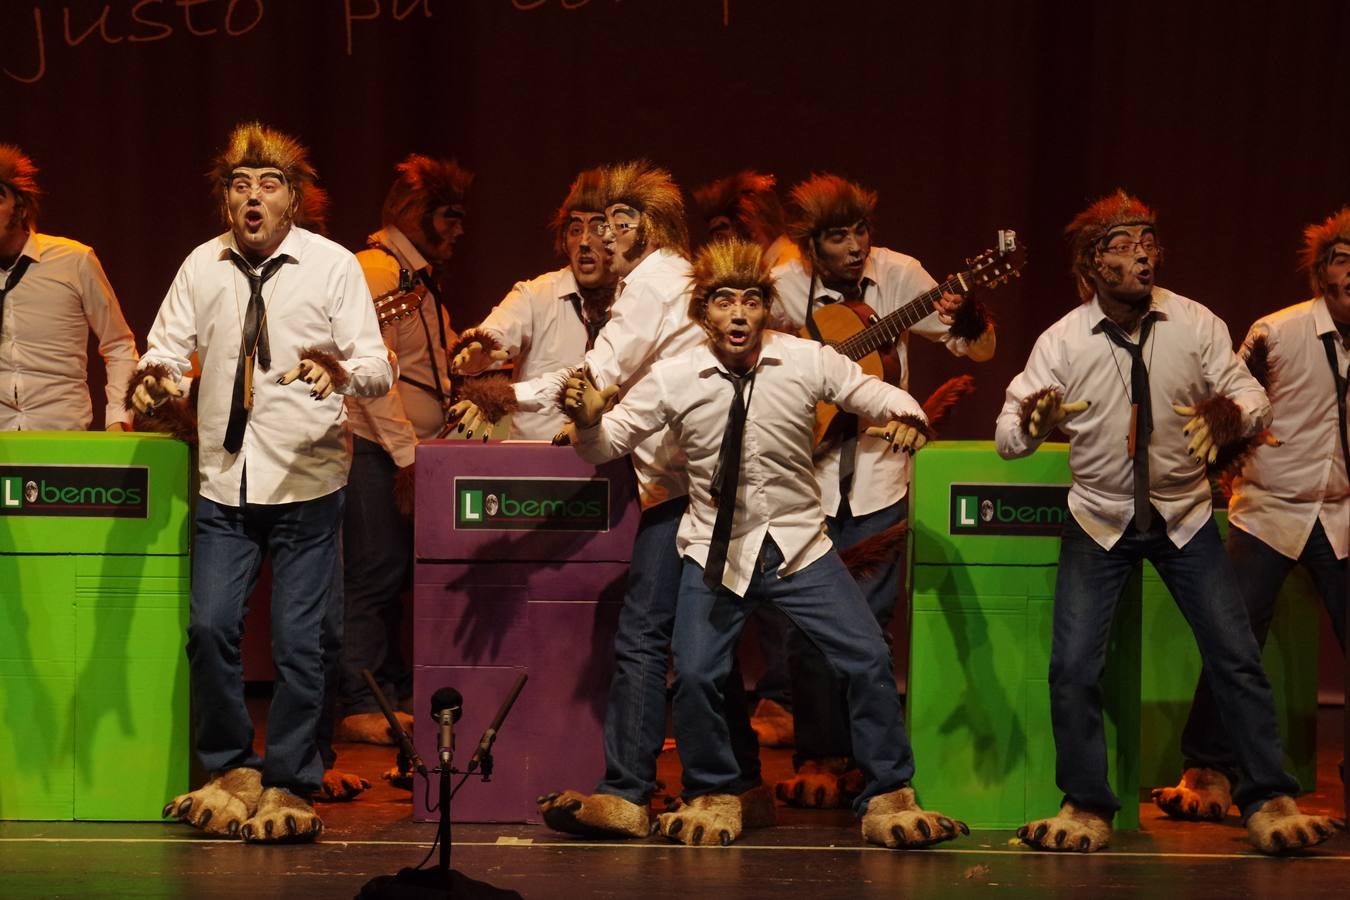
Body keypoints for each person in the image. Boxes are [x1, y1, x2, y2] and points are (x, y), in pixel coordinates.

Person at [561, 237, 968, 848]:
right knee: (697, 673)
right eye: (724, 302)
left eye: (751, 301)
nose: (739, 315)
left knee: (867, 656)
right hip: (714, 551)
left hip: (799, 547)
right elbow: (606, 444)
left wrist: (909, 417)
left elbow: (876, 392)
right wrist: (591, 419)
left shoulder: (805, 359)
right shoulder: (675, 377)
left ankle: (888, 792)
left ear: (765, 309)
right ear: (704, 312)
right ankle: (716, 791)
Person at [994, 189, 1338, 854]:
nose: (1143, 255)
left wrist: (1228, 417)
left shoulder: (1195, 324)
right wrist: (1034, 423)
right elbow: (1008, 431)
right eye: (1123, 245)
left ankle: (1267, 795)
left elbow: (1251, 397)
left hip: (1182, 519)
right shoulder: (1063, 340)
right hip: (1100, 521)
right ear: (1093, 263)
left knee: (1235, 657)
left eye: (1149, 241)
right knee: (1071, 668)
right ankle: (1087, 802)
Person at [456, 160, 761, 838]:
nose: (608, 234)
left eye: (623, 222)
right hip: (676, 485)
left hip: (704, 490)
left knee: (680, 643)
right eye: (601, 222)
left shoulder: (653, 284)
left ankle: (707, 788)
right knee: (660, 638)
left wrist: (513, 393)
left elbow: (601, 369)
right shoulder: (652, 282)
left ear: (651, 230)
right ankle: (668, 788)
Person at [131, 123, 394, 843]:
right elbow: (164, 348)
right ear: (225, 200)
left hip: (307, 478)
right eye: (240, 185)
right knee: (210, 626)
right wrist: (154, 380)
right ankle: (232, 769)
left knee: (300, 644)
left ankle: (290, 781)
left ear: (294, 202)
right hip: (224, 480)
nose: (253, 197)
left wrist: (341, 373)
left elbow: (377, 366)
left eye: (269, 185)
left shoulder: (333, 266)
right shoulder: (202, 265)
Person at [769, 173, 995, 806]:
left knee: (868, 625)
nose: (854, 245)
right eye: (837, 236)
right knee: (804, 630)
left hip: (876, 477)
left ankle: (876, 770)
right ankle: (819, 755)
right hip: (802, 477)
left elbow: (976, 349)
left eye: (860, 230)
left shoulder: (901, 274)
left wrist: (967, 312)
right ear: (811, 244)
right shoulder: (783, 282)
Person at [1152, 208, 1349, 822]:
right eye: (1344, 259)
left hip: (1342, 513)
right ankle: (1207, 769)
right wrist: (1223, 464)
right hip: (1267, 509)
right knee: (1232, 640)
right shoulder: (1278, 332)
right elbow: (1230, 402)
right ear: (1322, 273)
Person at [336, 154, 471, 745]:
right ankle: (361, 700)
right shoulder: (376, 270)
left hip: (414, 449)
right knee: (374, 571)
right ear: (415, 212)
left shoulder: (416, 281)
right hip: (374, 448)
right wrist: (407, 455)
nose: (459, 229)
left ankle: (388, 691)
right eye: (449, 215)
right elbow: (371, 379)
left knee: (398, 574)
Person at [448, 167, 617, 440]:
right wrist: (478, 346)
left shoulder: (632, 298)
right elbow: (497, 330)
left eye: (597, 229)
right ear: (564, 239)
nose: (585, 242)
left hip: (613, 458)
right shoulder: (536, 295)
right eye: (575, 230)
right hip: (539, 462)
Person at [0, 144, 137, 431]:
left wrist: (117, 418)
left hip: (61, 441)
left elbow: (119, 344)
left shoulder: (74, 260)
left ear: (21, 206)